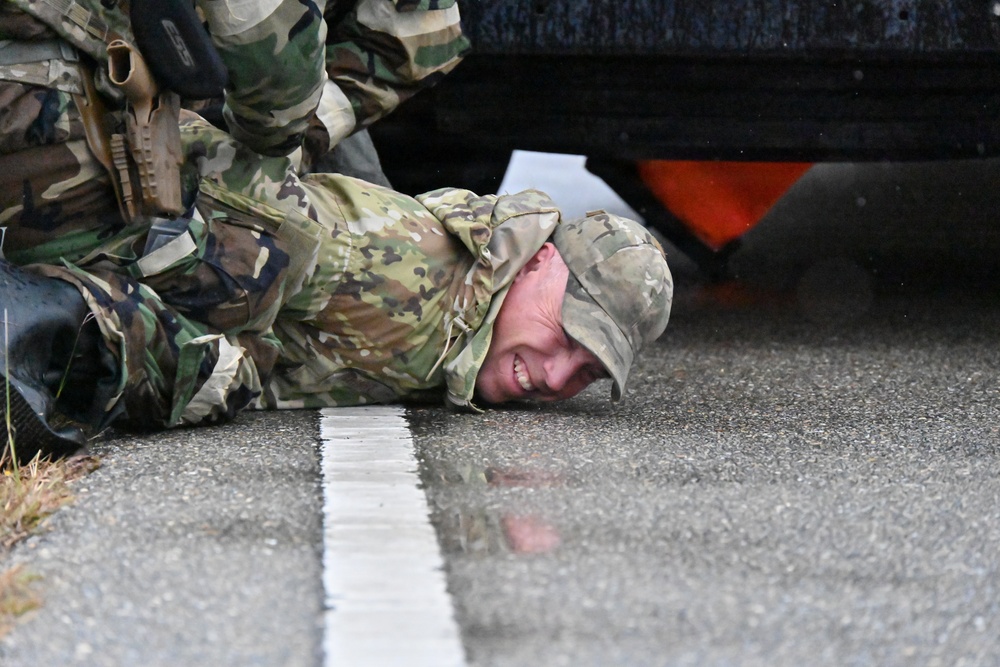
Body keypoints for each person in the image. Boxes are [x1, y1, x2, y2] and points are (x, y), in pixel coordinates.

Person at [0, 112, 673, 462]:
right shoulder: (403, 277)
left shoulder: (463, 321)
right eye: (568, 337)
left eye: (585, 372)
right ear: (540, 267)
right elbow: (218, 209)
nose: (557, 377)